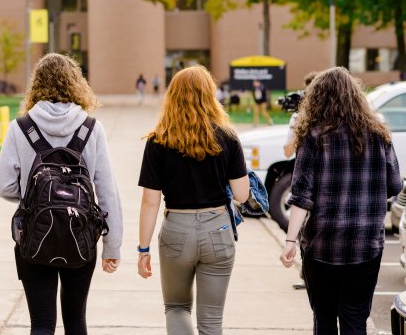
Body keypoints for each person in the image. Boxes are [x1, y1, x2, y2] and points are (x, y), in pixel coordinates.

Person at [0, 53, 123, 334]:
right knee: (76, 320)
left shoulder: (21, 127)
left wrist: (32, 196)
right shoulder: (92, 128)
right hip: (81, 235)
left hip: (35, 235)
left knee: (41, 323)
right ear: (76, 84)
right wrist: (112, 246)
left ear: (36, 85)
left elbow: (2, 184)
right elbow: (107, 190)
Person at [279, 67, 401, 335]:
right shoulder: (380, 135)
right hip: (365, 244)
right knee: (355, 317)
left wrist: (290, 241)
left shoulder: (313, 137)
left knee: (323, 317)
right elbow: (393, 186)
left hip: (322, 244)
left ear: (317, 98)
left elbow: (301, 196)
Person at [137, 65, 250, 335]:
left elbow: (149, 202)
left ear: (172, 96)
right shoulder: (228, 138)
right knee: (211, 321)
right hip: (218, 230)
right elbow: (242, 195)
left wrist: (143, 249)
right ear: (210, 95)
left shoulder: (158, 140)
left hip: (177, 229)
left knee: (176, 308)